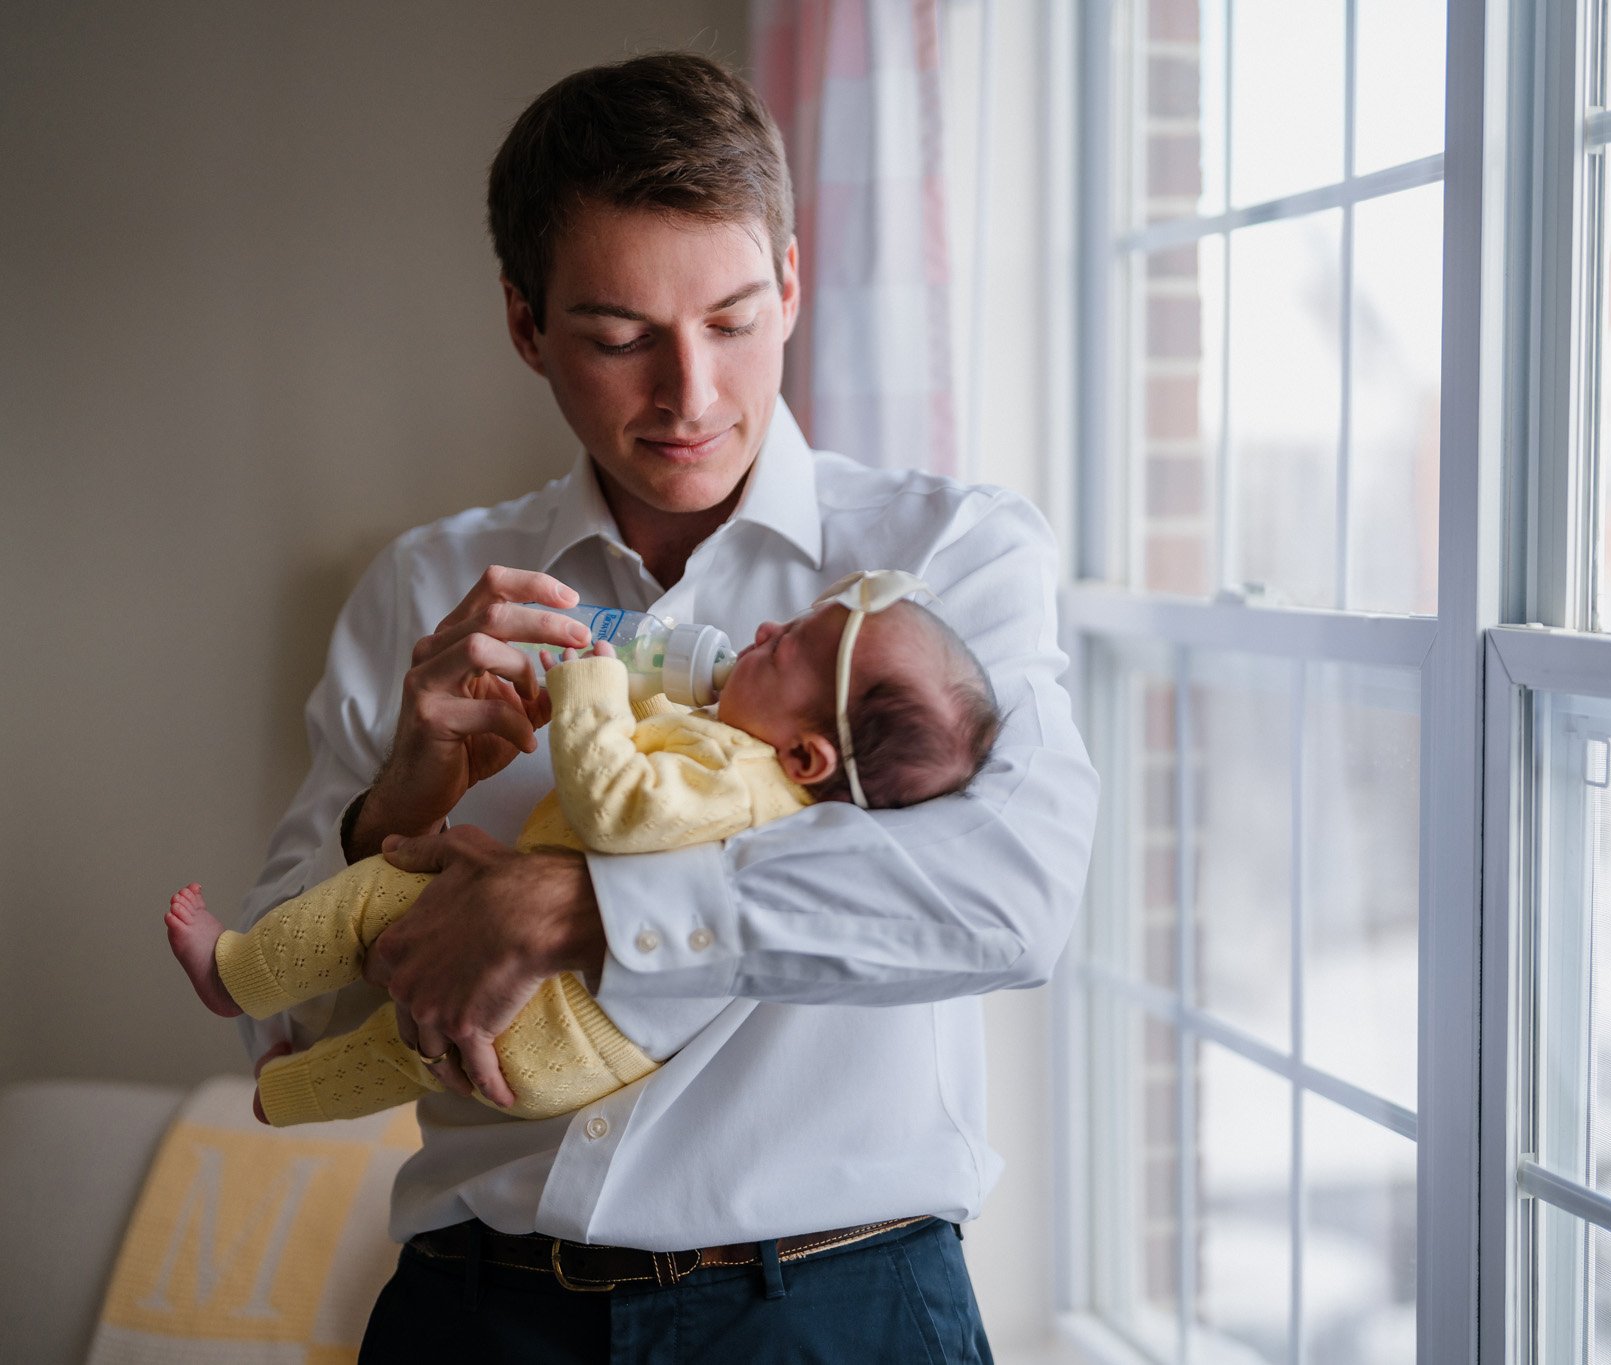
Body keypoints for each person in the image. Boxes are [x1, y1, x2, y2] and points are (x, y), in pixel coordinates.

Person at [231, 49, 1096, 1363]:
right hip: (476, 1312)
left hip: (840, 1310)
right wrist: (385, 813)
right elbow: (278, 1023)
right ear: (526, 324)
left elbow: (1011, 899)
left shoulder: (949, 562)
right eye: (621, 336)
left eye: (735, 320)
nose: (690, 394)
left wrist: (588, 908)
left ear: (793, 284)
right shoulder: (425, 590)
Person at [172, 577, 996, 1128]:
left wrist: (593, 683)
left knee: (385, 892)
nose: (768, 627)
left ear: (809, 759)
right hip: (565, 1058)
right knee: (397, 1055)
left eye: (786, 648)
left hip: (550, 1005)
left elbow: (616, 805)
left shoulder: (744, 777)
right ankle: (279, 1095)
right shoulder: (755, 772)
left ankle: (236, 971)